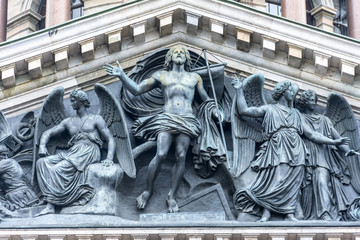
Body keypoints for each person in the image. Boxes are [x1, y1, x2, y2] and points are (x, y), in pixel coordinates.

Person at [104, 45, 218, 212]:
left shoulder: (194, 78)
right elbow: (137, 90)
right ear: (170, 57)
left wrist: (215, 110)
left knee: (181, 156)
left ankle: (172, 196)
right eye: (175, 52)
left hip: (187, 120)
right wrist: (122, 76)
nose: (179, 54)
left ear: (186, 58)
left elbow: (205, 99)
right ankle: (147, 191)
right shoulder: (162, 76)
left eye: (182, 53)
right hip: (167, 118)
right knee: (161, 153)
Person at [232, 75, 350, 222]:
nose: (292, 93)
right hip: (278, 146)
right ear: (283, 92)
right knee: (277, 178)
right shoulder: (269, 109)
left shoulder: (296, 114)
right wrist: (238, 91)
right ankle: (266, 214)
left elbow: (312, 135)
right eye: (289, 90)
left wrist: (335, 142)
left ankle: (289, 214)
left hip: (297, 150)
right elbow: (244, 110)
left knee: (294, 181)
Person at [35, 89, 115, 216]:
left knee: (57, 169)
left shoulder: (96, 119)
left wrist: (109, 158)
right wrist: (42, 146)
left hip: (88, 151)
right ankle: (48, 196)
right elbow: (48, 132)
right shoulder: (68, 121)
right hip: (73, 152)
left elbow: (110, 139)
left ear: (81, 101)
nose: (71, 104)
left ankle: (51, 205)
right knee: (41, 162)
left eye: (73, 101)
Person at [298, 89, 358, 220]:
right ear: (304, 101)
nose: (313, 102)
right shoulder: (300, 117)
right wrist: (334, 141)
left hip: (322, 155)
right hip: (307, 154)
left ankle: (326, 214)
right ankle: (310, 214)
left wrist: (347, 150)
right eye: (310, 99)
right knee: (307, 187)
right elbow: (312, 135)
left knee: (321, 179)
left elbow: (337, 138)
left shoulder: (324, 119)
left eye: (314, 99)